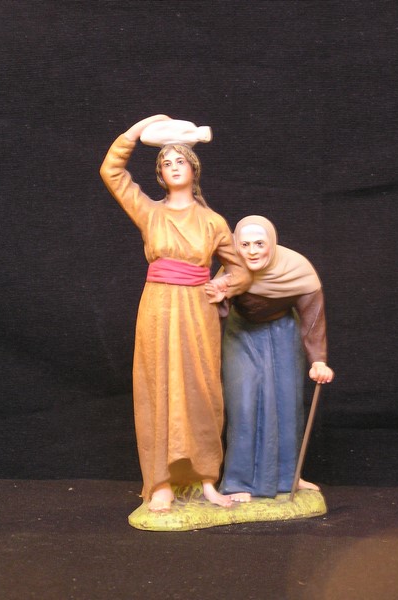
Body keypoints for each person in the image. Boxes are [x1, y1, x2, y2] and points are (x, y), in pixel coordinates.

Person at [99, 115, 251, 512]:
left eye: (180, 160)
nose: (174, 167)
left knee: (202, 387)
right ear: (160, 176)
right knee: (157, 384)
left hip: (197, 310)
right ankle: (161, 481)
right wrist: (136, 132)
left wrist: (222, 285)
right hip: (158, 306)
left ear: (193, 168)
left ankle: (206, 479)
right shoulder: (149, 212)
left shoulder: (213, 221)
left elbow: (240, 270)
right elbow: (111, 172)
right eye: (166, 163)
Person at [206, 215, 334, 502]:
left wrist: (318, 360)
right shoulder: (231, 271)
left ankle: (289, 477)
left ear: (271, 244)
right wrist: (217, 298)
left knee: (287, 404)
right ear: (236, 246)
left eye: (259, 244)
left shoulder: (297, 269)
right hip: (241, 334)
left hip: (283, 334)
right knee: (242, 403)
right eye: (245, 244)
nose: (252, 251)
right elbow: (215, 314)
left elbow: (313, 317)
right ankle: (238, 481)